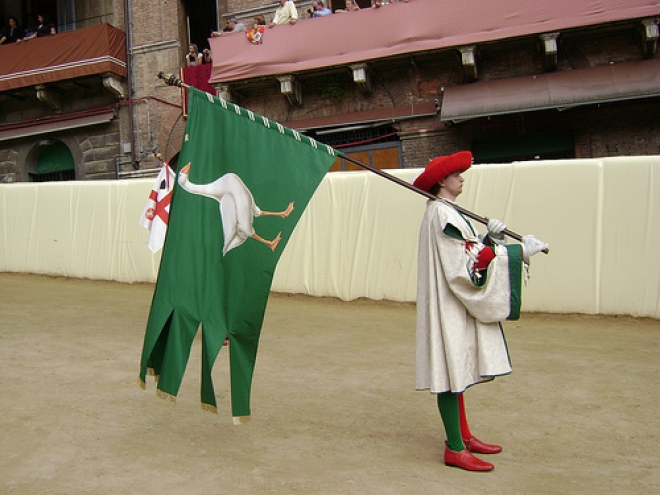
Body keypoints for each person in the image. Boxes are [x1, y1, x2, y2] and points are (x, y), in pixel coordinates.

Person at [413, 151, 548, 472]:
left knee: (456, 368)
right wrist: (514, 253)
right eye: (456, 174)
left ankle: (465, 437)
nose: (462, 178)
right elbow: (461, 265)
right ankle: (455, 448)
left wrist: (491, 238)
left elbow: (468, 249)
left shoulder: (447, 211)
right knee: (448, 372)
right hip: (449, 303)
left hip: (453, 304)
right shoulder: (441, 214)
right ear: (442, 181)